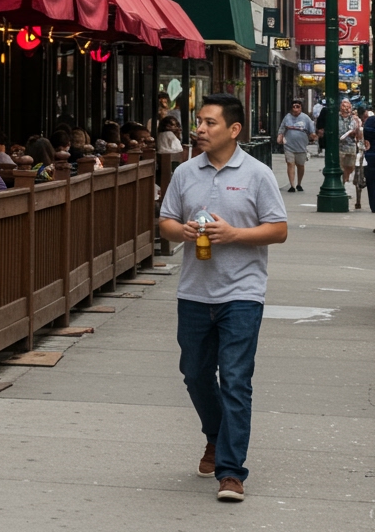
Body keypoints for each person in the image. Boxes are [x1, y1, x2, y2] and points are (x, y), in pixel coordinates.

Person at [158, 93, 287, 504]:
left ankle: (231, 472)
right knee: (195, 374)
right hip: (194, 292)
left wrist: (233, 235)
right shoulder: (185, 172)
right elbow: (165, 222)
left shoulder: (258, 174)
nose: (199, 129)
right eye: (199, 121)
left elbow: (279, 229)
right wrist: (181, 231)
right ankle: (215, 436)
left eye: (209, 122)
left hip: (242, 293)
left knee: (235, 379)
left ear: (234, 130)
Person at [276, 99, 315, 193]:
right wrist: (279, 136)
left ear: (301, 108)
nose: (295, 108)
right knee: (290, 164)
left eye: (298, 107)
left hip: (301, 147)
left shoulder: (306, 118)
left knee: (300, 165)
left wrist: (313, 135)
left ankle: (299, 184)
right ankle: (292, 185)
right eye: (294, 107)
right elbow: (282, 128)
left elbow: (312, 131)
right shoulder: (287, 117)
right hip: (288, 146)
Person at [335, 97, 362, 186]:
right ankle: (343, 183)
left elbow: (359, 133)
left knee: (350, 167)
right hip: (339, 147)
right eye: (344, 106)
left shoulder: (355, 119)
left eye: (348, 107)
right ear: (340, 107)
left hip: (351, 146)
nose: (346, 109)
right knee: (340, 167)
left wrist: (356, 131)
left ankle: (345, 180)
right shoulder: (336, 118)